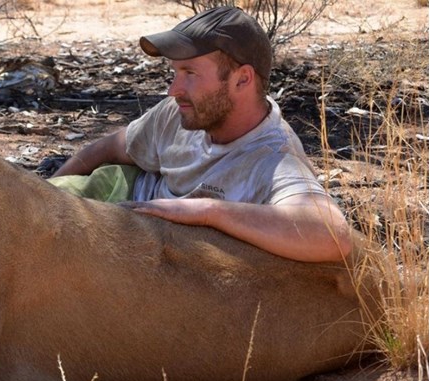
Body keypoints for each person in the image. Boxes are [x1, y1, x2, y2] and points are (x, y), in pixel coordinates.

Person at [49, 6, 352, 263]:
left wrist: (209, 211)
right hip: (118, 195)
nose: (173, 90)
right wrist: (47, 187)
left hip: (156, 247)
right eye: (175, 73)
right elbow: (106, 149)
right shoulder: (179, 111)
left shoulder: (273, 158)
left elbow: (334, 234)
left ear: (242, 79)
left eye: (190, 73)